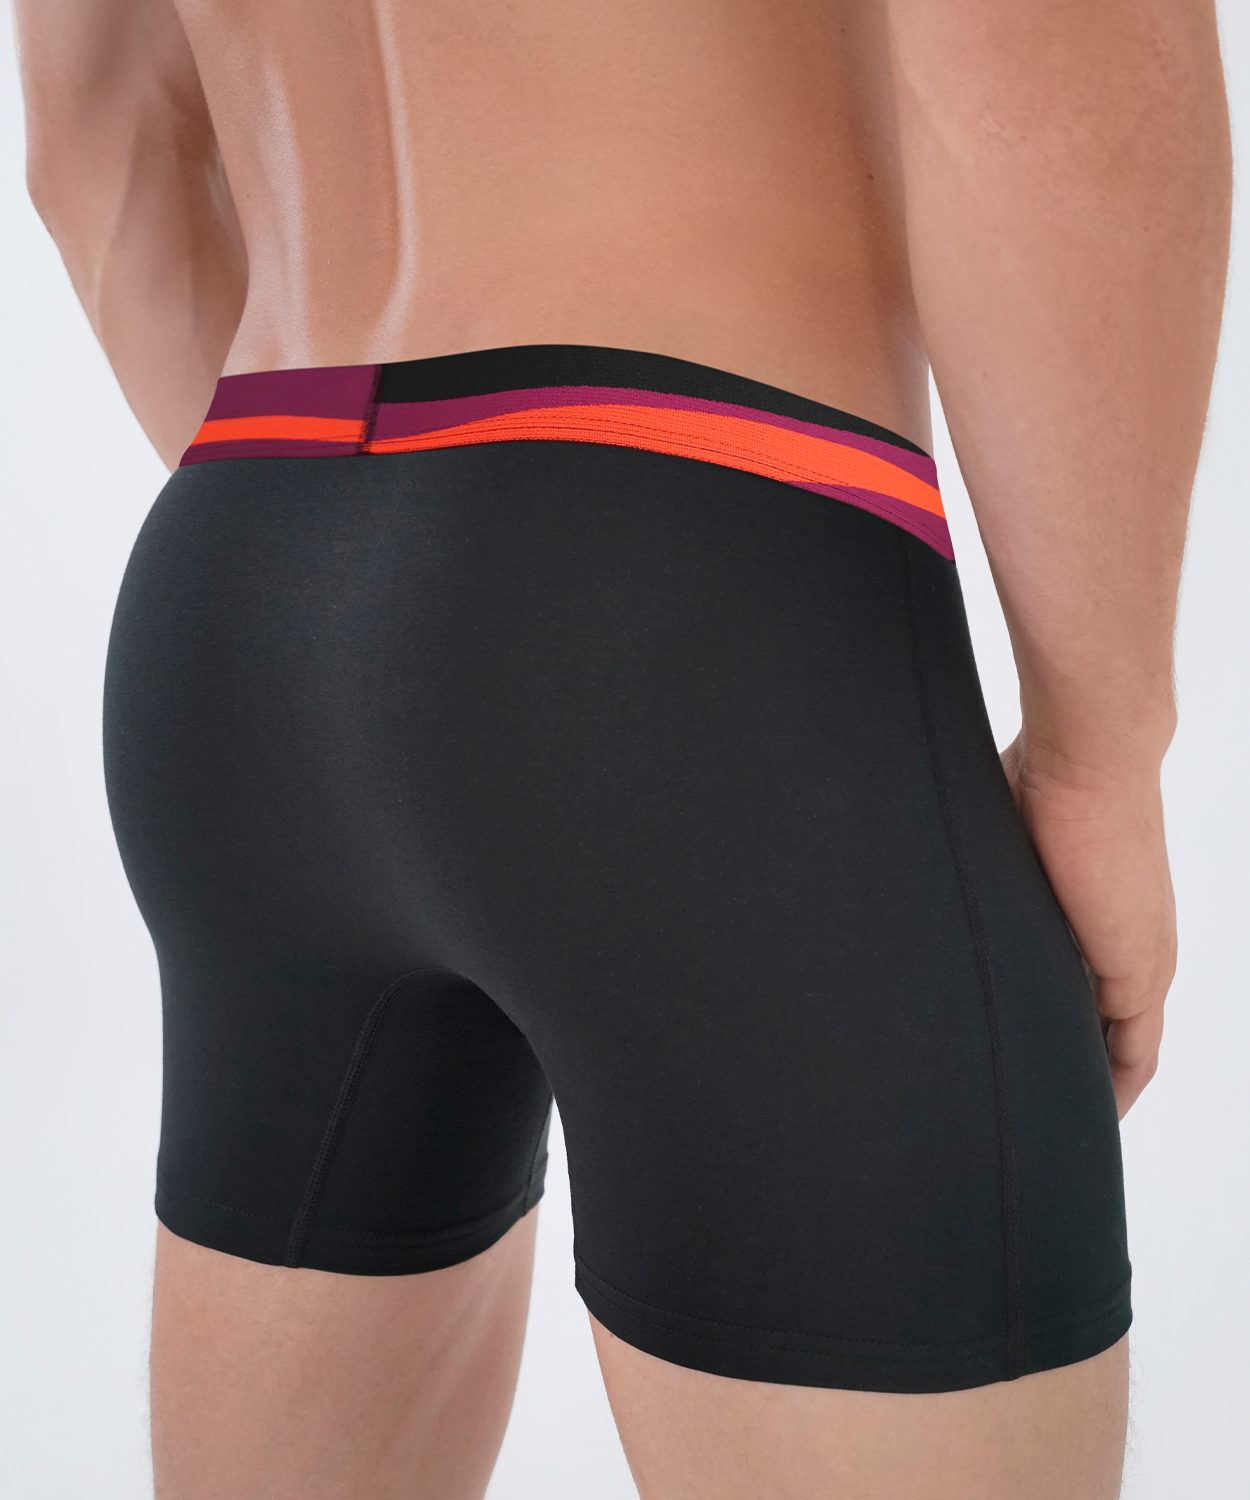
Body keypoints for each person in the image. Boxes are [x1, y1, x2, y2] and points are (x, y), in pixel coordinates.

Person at [15, 0, 1230, 1495]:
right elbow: (1041, 65)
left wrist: (366, 606)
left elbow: (96, 149)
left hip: (253, 574)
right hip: (686, 569)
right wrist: (1098, 749)